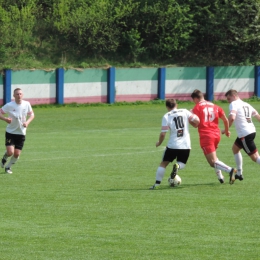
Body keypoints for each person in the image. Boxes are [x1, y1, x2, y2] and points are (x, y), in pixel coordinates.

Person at [150, 98, 200, 189]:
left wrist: (159, 142)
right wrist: (194, 122)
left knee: (163, 164)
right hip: (185, 145)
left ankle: (157, 185)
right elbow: (197, 121)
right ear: (176, 105)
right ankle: (178, 166)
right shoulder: (185, 111)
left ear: (167, 107)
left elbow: (163, 133)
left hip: (172, 145)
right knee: (182, 164)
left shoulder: (167, 116)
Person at [191, 89, 237, 184]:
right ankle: (220, 177)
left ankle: (230, 170)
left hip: (206, 135)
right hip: (216, 135)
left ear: (196, 98)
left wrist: (189, 118)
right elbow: (225, 120)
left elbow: (195, 124)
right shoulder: (216, 106)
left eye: (193, 100)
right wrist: (227, 131)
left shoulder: (197, 108)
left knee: (212, 162)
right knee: (214, 157)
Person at [224, 89, 260, 182]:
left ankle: (239, 173)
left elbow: (232, 118)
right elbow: (258, 117)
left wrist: (226, 129)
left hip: (245, 134)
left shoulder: (234, 104)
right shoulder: (247, 104)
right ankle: (239, 173)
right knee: (235, 149)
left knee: (255, 158)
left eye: (229, 98)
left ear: (234, 96)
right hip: (251, 131)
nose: (228, 101)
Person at [0, 88, 35, 174]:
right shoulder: (9, 105)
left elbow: (32, 115)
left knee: (16, 154)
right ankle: (5, 157)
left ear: (22, 95)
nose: (19, 95)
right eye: (17, 94)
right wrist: (5, 119)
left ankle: (8, 167)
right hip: (10, 132)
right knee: (10, 152)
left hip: (21, 133)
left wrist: (27, 123)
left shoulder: (27, 104)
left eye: (20, 94)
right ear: (13, 95)